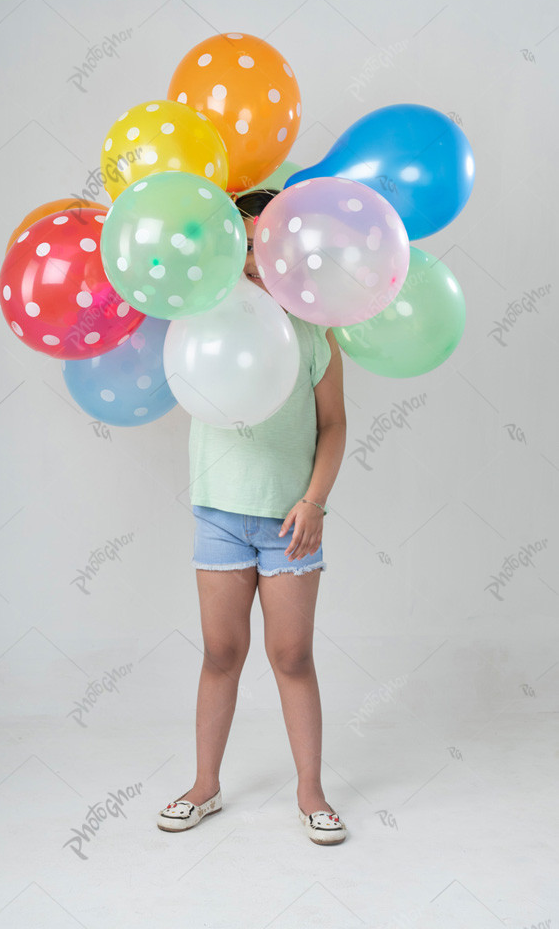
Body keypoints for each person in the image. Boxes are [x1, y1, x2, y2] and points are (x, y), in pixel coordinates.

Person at [157, 188, 348, 845]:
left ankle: (310, 791)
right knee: (221, 652)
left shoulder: (315, 331)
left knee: (291, 656)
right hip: (218, 513)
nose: (254, 254)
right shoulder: (202, 314)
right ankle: (204, 785)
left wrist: (314, 500)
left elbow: (332, 425)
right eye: (243, 240)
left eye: (267, 239)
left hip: (290, 520)